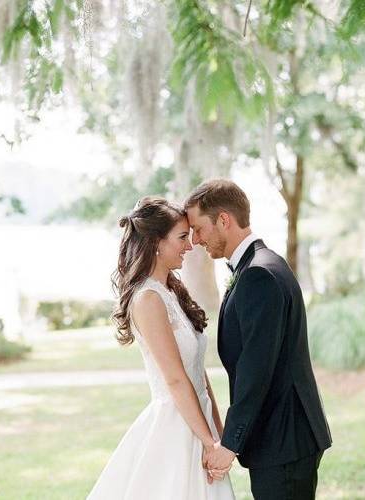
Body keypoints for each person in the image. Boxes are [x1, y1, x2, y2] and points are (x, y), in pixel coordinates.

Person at [185, 179, 332, 500]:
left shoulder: (258, 275)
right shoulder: (262, 264)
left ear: (224, 219)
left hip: (284, 438)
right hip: (282, 437)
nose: (195, 240)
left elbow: (256, 369)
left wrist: (230, 444)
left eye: (199, 229)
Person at [87, 196, 235, 500]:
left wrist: (218, 433)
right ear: (156, 242)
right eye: (182, 237)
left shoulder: (171, 292)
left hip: (199, 419)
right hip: (176, 427)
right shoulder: (147, 299)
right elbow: (175, 379)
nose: (190, 245)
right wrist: (208, 442)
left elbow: (197, 373)